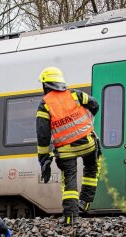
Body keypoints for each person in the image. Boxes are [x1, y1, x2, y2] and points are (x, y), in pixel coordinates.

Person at [36, 67, 101, 225]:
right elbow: (94, 104)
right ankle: (85, 202)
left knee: (69, 181)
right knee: (92, 168)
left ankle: (71, 217)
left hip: (66, 149)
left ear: (46, 85)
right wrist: (88, 121)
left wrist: (43, 158)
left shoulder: (45, 104)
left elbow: (43, 135)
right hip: (88, 143)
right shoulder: (75, 94)